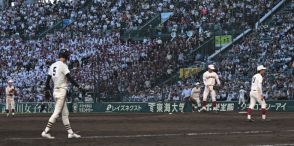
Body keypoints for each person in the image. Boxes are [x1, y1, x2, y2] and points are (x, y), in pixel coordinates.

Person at [41, 49, 83, 139]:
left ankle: (70, 133)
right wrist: (79, 86)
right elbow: (70, 78)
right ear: (66, 56)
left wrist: (46, 89)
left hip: (55, 91)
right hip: (61, 92)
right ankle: (45, 131)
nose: (69, 56)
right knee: (56, 113)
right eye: (68, 55)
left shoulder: (52, 65)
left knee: (65, 113)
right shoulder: (63, 65)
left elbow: (47, 81)